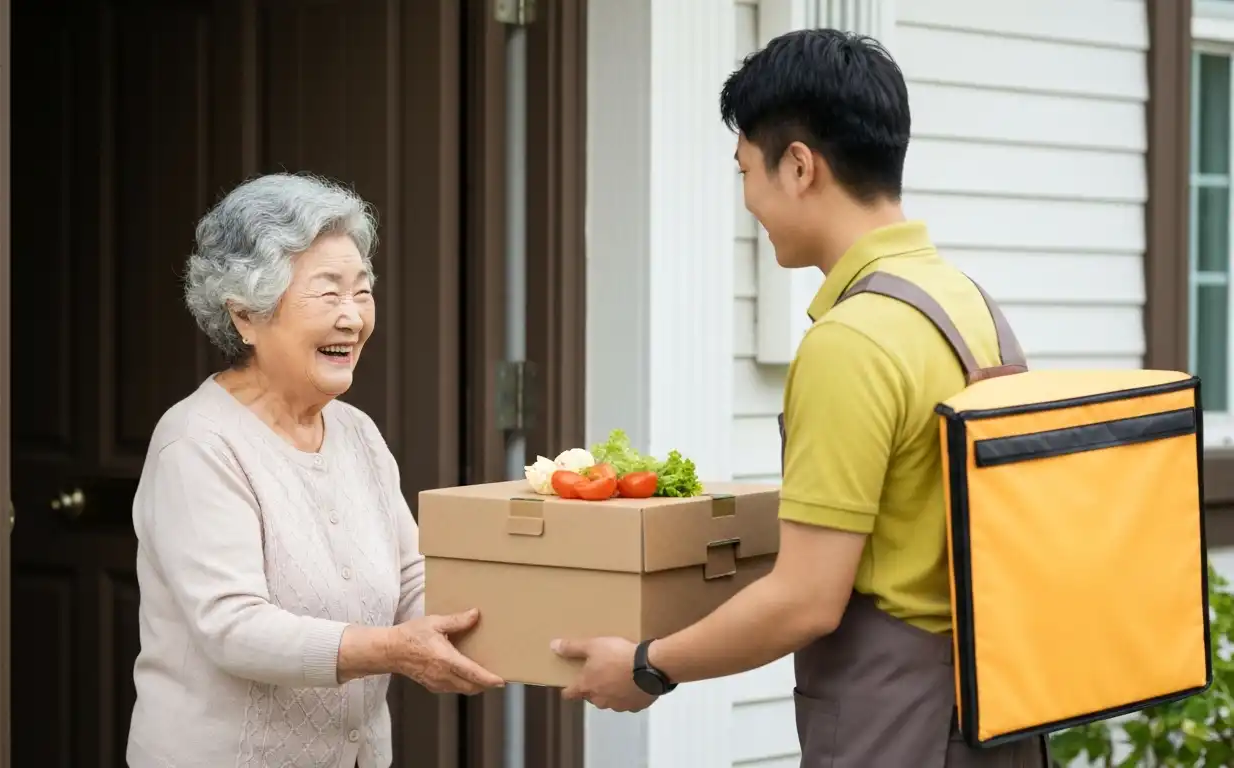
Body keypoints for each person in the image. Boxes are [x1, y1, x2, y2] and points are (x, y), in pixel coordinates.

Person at [551, 29, 1046, 766]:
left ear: (799, 166)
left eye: (746, 169)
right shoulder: (968, 303)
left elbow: (807, 600)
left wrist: (646, 665)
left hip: (896, 726)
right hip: (997, 713)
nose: (747, 198)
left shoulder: (852, 340)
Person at [126, 173, 504, 768]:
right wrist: (394, 650)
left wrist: (495, 625)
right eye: (328, 294)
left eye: (362, 291)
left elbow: (411, 577)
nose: (352, 318)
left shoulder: (357, 433)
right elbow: (232, 627)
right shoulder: (197, 443)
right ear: (246, 315)